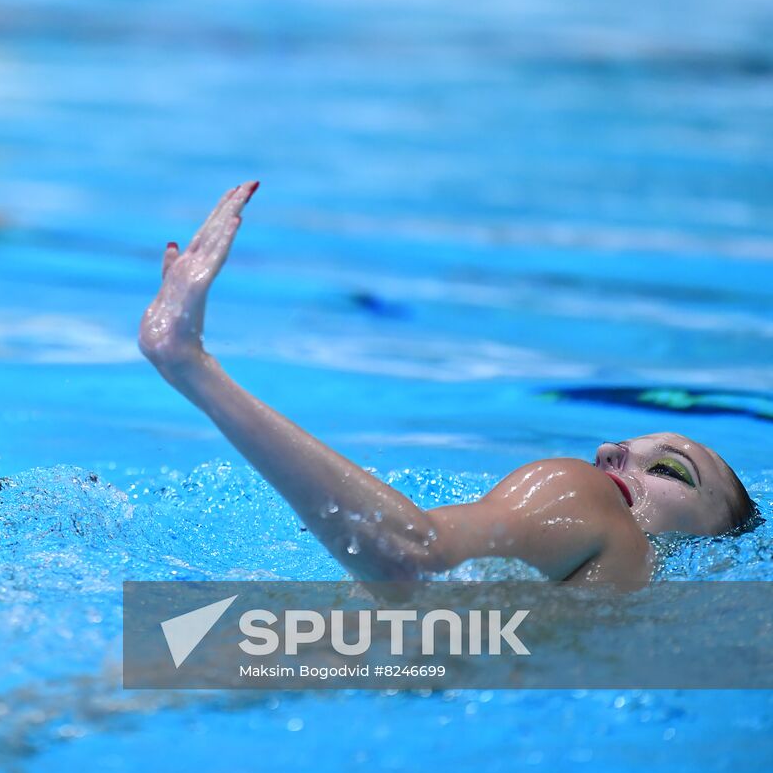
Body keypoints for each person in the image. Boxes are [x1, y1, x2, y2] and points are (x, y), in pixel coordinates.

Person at [140, 182, 757, 588]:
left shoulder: (587, 508)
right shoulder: (626, 566)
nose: (608, 453)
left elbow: (412, 557)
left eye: (671, 470)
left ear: (720, 547)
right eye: (619, 448)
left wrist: (193, 366)